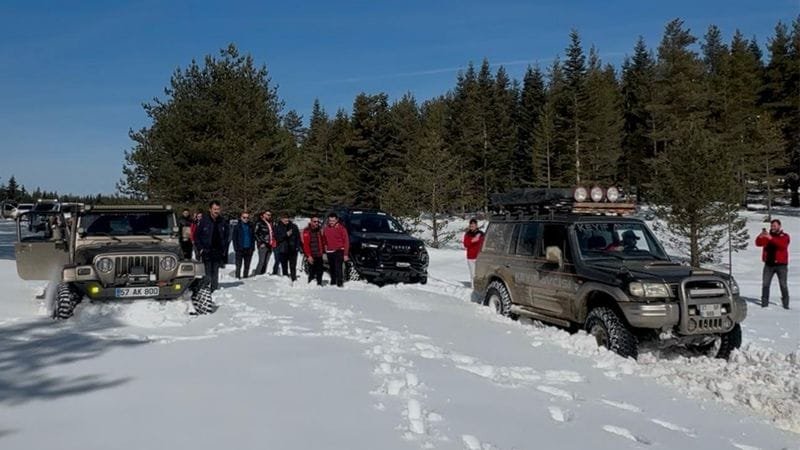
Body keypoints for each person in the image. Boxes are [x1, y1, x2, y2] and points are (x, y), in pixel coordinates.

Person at [195, 200, 229, 292]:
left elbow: (226, 235)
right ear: (210, 209)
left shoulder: (222, 221)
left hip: (218, 250)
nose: (216, 211)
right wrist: (200, 248)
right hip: (206, 250)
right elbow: (197, 236)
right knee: (207, 272)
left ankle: (214, 289)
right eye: (214, 209)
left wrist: (224, 247)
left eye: (218, 209)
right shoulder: (204, 221)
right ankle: (205, 288)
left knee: (215, 271)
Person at [756, 219, 791, 309]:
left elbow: (782, 245)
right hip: (769, 264)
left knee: (783, 285)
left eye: (775, 226)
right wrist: (760, 236)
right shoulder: (768, 236)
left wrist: (770, 238)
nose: (773, 227)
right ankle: (764, 304)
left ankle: (786, 304)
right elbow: (758, 243)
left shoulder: (784, 236)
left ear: (779, 226)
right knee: (765, 284)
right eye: (772, 226)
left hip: (781, 265)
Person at [323, 212, 349, 287]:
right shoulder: (326, 229)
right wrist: (325, 247)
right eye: (330, 221)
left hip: (339, 250)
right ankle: (333, 282)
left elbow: (346, 241)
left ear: (337, 220)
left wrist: (345, 254)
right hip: (329, 251)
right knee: (332, 267)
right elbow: (324, 239)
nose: (331, 222)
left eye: (333, 221)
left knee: (338, 267)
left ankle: (340, 283)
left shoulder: (341, 228)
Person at [274, 213, 301, 282]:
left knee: (293, 265)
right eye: (285, 219)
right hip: (283, 249)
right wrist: (286, 234)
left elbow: (298, 237)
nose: (286, 221)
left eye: (287, 219)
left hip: (293, 249)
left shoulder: (294, 226)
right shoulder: (278, 227)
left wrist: (298, 246)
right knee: (284, 265)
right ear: (281, 219)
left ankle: (293, 278)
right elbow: (277, 238)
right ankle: (285, 278)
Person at [302, 215, 326, 285]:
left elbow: (323, 241)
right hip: (311, 254)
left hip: (319, 253)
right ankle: (311, 284)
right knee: (311, 271)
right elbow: (306, 245)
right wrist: (308, 256)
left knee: (320, 271)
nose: (316, 223)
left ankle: (319, 284)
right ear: (311, 222)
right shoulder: (307, 230)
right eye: (315, 221)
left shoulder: (320, 230)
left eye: (317, 222)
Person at [231, 210, 256, 279]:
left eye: (247, 217)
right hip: (240, 248)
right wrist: (236, 248)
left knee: (247, 265)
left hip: (249, 248)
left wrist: (253, 247)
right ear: (241, 217)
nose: (246, 219)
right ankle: (237, 277)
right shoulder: (237, 226)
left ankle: (245, 277)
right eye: (244, 217)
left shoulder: (251, 226)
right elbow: (234, 238)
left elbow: (253, 237)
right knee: (238, 265)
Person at [254, 210, 276, 276]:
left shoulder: (271, 223)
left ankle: (263, 276)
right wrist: (260, 242)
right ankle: (257, 275)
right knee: (261, 261)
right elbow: (255, 233)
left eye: (270, 215)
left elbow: (272, 233)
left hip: (270, 244)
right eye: (268, 214)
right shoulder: (259, 222)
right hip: (263, 244)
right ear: (263, 215)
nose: (269, 216)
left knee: (266, 261)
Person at [463, 218, 485, 284]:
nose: (472, 226)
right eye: (471, 225)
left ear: (476, 225)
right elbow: (466, 244)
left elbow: (483, 243)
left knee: (480, 273)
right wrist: (472, 240)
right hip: (470, 257)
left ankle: (480, 286)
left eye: (473, 225)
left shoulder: (480, 233)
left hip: (479, 256)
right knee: (473, 274)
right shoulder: (467, 234)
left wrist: (477, 239)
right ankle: (473, 286)